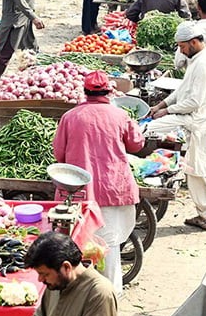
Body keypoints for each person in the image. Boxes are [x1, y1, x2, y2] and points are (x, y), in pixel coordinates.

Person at [52, 71, 145, 295]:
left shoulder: (70, 117)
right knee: (109, 246)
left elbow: (59, 155)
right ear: (108, 92)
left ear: (85, 92)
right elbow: (136, 145)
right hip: (113, 188)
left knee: (75, 245)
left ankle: (77, 295)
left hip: (79, 192)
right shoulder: (120, 115)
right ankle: (110, 297)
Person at [146, 22, 206, 231]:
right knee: (197, 169)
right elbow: (183, 90)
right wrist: (161, 104)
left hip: (197, 121)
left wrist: (167, 111)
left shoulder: (205, 63)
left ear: (194, 42)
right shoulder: (196, 60)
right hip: (192, 119)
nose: (181, 51)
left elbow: (193, 102)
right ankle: (204, 215)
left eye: (182, 46)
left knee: (203, 171)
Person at [13, 231, 118, 316]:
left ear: (66, 267)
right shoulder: (57, 283)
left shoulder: (99, 294)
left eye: (44, 274)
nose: (40, 279)